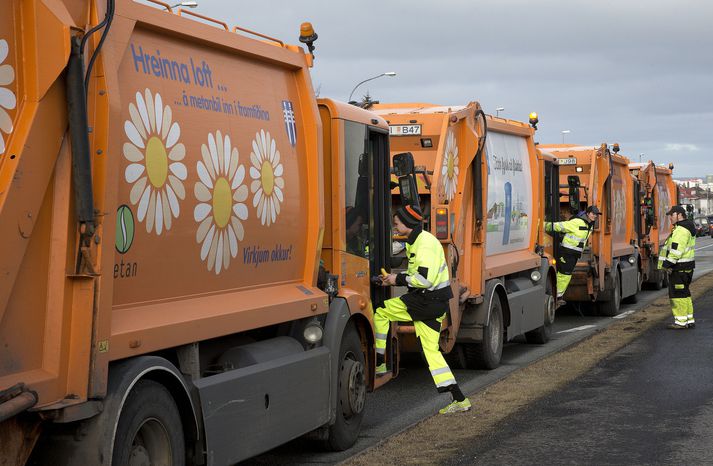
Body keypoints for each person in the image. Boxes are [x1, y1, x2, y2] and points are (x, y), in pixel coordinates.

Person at [374, 204, 471, 414]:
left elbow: (424, 280)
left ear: (407, 223)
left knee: (381, 310)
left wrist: (395, 279)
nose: (395, 226)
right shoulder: (418, 239)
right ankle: (459, 399)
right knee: (431, 352)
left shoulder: (424, 244)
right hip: (435, 303)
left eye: (397, 223)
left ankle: (379, 361)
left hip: (426, 301)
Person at [545, 205, 601, 305]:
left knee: (566, 274)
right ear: (587, 213)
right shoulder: (577, 222)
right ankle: (557, 295)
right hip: (567, 252)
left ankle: (557, 294)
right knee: (564, 274)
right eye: (593, 214)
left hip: (574, 254)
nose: (595, 216)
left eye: (596, 215)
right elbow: (560, 226)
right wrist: (543, 226)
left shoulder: (590, 225)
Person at [658, 205, 696, 329]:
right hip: (686, 268)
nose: (670, 218)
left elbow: (675, 251)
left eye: (671, 215)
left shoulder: (680, 230)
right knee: (685, 293)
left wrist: (666, 265)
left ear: (679, 215)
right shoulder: (687, 227)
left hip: (679, 268)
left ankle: (680, 322)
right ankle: (688, 319)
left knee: (677, 295)